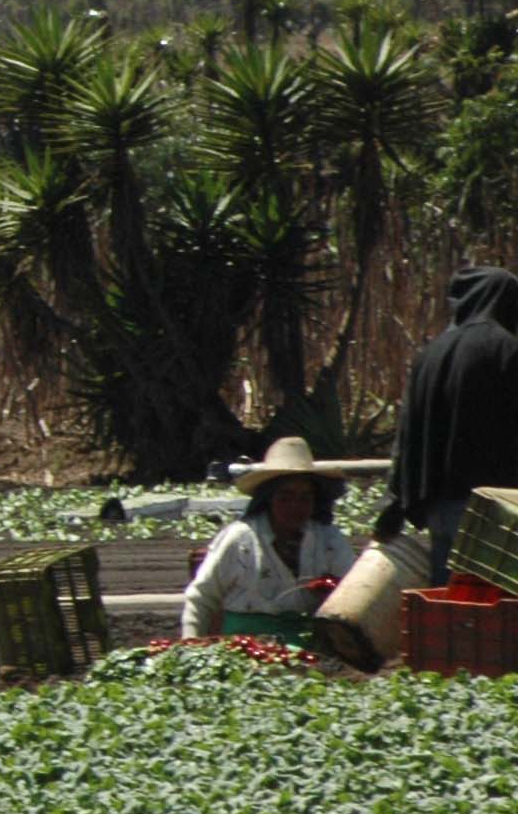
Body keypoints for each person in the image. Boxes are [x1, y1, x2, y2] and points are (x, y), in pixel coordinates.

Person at [374, 265, 518, 581]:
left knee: (451, 602)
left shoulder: (430, 354)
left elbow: (408, 434)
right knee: (495, 609)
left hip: (440, 506)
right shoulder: (507, 350)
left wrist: (397, 500)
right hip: (497, 511)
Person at [181, 437, 359, 643]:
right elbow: (201, 598)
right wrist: (191, 645)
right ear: (268, 498)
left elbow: (352, 595)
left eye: (305, 498)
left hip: (310, 650)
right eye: (285, 497)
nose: (296, 506)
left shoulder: (329, 540)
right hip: (243, 649)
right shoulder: (240, 540)